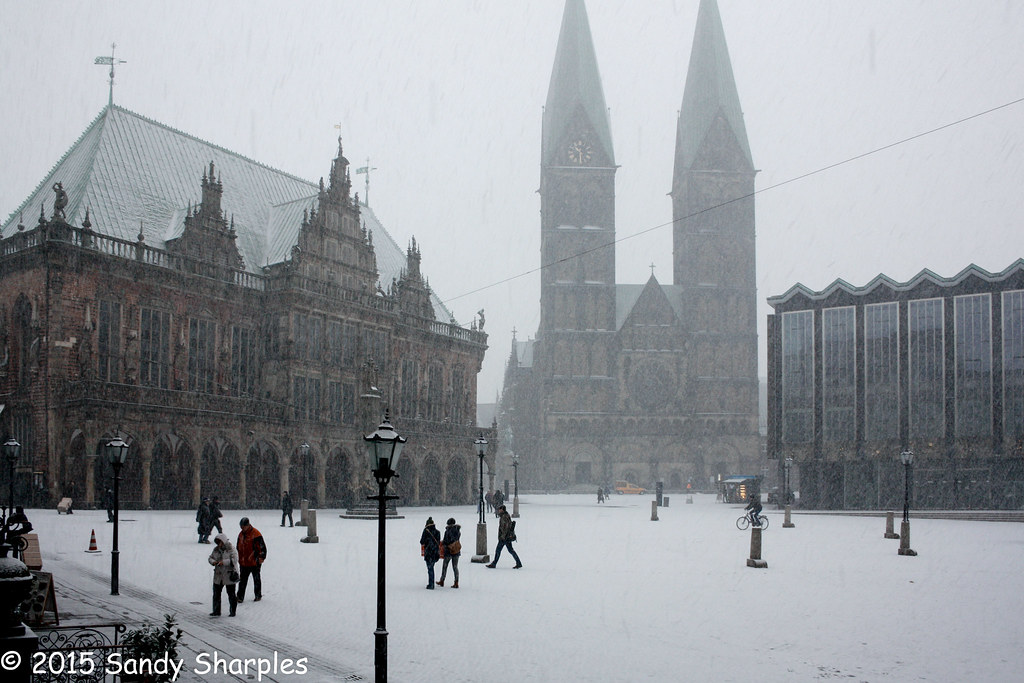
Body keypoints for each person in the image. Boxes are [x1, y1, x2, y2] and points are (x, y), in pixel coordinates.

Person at [236, 517, 267, 602]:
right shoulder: (241, 534)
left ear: (248, 525)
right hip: (244, 562)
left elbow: (262, 547)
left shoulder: (256, 534)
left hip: (254, 561)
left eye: (243, 527)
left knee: (256, 579)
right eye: (241, 527)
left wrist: (261, 557)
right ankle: (240, 597)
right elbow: (238, 547)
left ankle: (258, 595)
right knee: (242, 580)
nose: (242, 529)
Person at [208, 533, 239, 617]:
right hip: (218, 575)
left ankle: (233, 612)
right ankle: (216, 611)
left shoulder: (231, 549)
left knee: (231, 594)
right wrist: (213, 562)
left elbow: (234, 560)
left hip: (229, 574)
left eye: (220, 542)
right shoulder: (216, 549)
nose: (218, 544)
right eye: (217, 542)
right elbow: (210, 557)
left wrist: (223, 562)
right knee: (216, 594)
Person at [486, 505, 522, 569]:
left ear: (502, 510)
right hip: (506, 537)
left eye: (500, 509)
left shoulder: (504, 517)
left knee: (498, 550)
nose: (499, 510)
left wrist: (503, 536)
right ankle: (518, 563)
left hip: (504, 537)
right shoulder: (504, 516)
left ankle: (494, 564)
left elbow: (505, 528)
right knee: (510, 550)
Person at [437, 517, 461, 588]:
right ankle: (456, 582)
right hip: (456, 550)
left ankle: (442, 580)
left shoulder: (448, 531)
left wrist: (443, 543)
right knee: (455, 567)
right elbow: (455, 539)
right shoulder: (458, 530)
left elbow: (447, 540)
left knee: (445, 566)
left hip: (448, 551)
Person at [419, 517, 441, 589]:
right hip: (435, 552)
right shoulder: (438, 532)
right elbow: (438, 542)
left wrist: (427, 541)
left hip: (428, 552)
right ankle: (431, 583)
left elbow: (422, 542)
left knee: (430, 568)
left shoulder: (426, 531)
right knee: (431, 567)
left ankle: (431, 584)